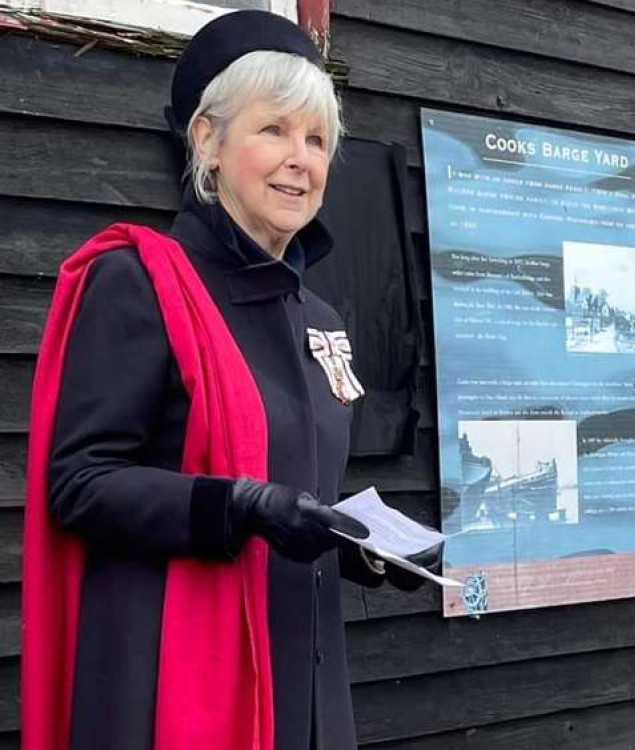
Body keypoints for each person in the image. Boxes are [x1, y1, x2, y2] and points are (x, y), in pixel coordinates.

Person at [21, 10, 428, 750]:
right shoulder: (140, 283)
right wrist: (233, 504)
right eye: (273, 130)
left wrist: (365, 548)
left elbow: (296, 501)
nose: (300, 159)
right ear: (206, 140)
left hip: (303, 686)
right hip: (176, 689)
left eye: (316, 139)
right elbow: (80, 483)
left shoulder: (316, 314)